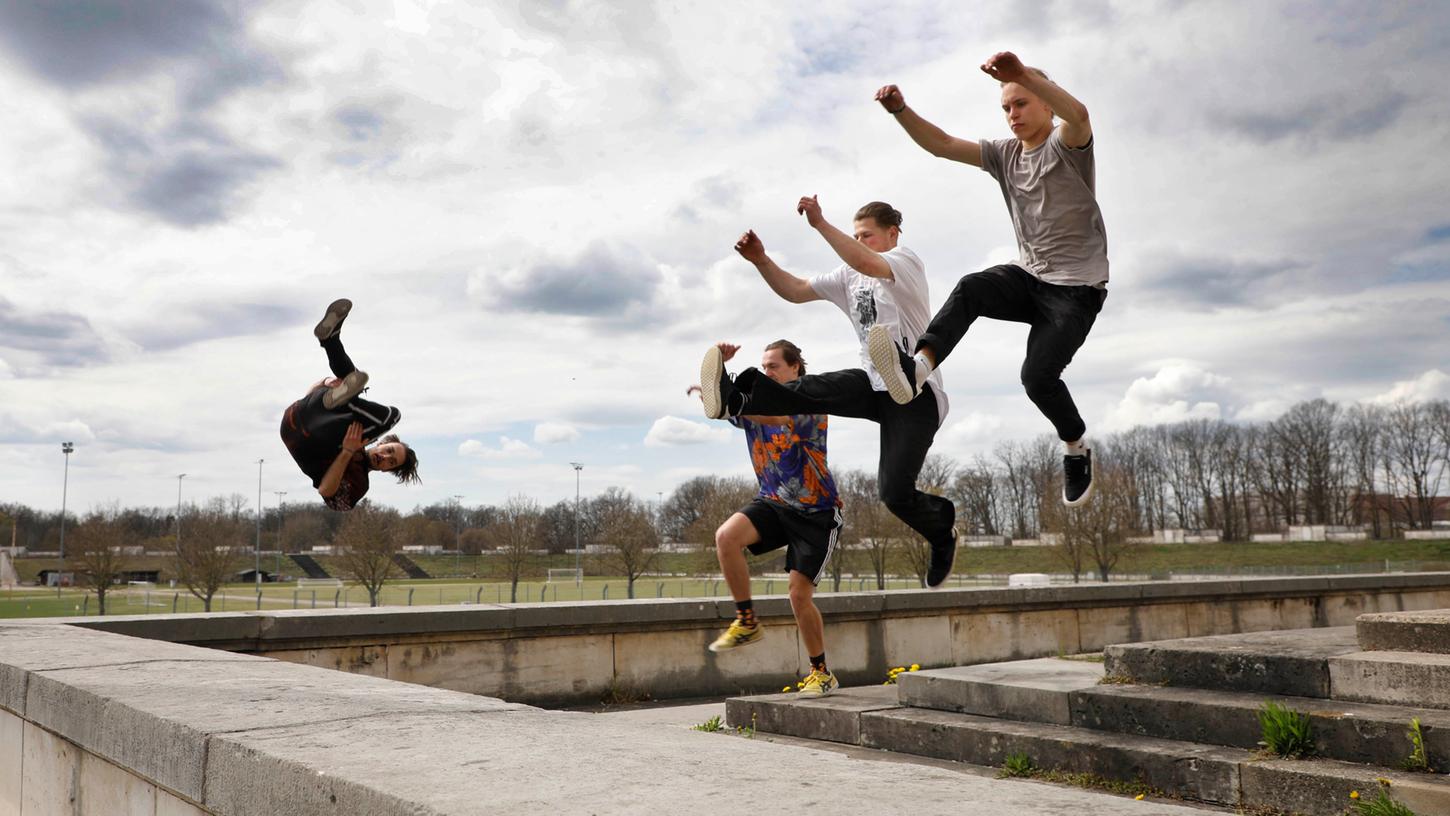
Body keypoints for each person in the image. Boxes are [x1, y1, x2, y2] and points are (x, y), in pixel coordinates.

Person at [869, 51, 1108, 506]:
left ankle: (1076, 446)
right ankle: (918, 369)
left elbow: (1080, 114)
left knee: (1037, 379)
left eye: (1022, 103)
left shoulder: (1068, 144)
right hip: (1030, 279)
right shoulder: (1004, 154)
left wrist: (1021, 74)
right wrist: (901, 111)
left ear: (1046, 106)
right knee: (973, 286)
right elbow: (940, 143)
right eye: (1006, 107)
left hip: (1077, 292)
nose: (1013, 114)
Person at [702, 197, 957, 588]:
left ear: (892, 234)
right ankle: (738, 397)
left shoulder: (905, 262)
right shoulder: (847, 277)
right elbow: (797, 290)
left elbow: (868, 262)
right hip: (874, 383)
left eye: (867, 236)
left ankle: (942, 532)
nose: (860, 243)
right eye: (856, 236)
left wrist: (821, 224)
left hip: (915, 393)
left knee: (894, 494)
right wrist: (761, 261)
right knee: (809, 389)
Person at [691, 340, 843, 696]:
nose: (767, 373)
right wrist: (715, 385)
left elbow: (770, 416)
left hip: (816, 513)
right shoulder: (755, 406)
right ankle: (746, 621)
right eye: (764, 367)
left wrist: (729, 397)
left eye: (774, 366)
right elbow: (728, 410)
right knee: (726, 537)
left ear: (795, 369)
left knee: (798, 596)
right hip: (773, 503)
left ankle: (821, 672)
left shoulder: (810, 403)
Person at [279, 299, 419, 511]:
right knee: (348, 386)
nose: (385, 457)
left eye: (391, 462)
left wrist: (347, 452)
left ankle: (334, 352)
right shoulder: (361, 430)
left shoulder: (360, 483)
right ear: (382, 443)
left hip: (309, 439)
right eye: (389, 450)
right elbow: (307, 398)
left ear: (386, 471)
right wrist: (326, 383)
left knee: (393, 416)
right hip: (297, 415)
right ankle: (330, 341)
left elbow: (326, 492)